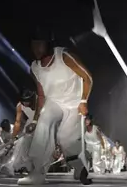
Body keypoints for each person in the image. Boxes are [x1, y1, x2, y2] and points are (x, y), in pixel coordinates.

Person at [18, 30, 93, 185]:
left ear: (49, 44)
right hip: (54, 102)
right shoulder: (34, 67)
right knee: (43, 124)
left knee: (65, 139)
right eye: (33, 45)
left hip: (74, 103)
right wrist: (35, 120)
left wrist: (83, 101)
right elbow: (41, 96)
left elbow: (88, 77)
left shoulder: (64, 57)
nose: (36, 48)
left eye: (40, 44)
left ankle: (79, 166)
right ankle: (37, 172)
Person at [0, 89, 36, 175]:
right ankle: (11, 165)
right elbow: (18, 122)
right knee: (21, 143)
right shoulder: (20, 105)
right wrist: (13, 138)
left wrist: (35, 124)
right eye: (24, 101)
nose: (26, 103)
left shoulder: (39, 102)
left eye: (28, 101)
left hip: (42, 122)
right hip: (29, 124)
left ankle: (34, 168)